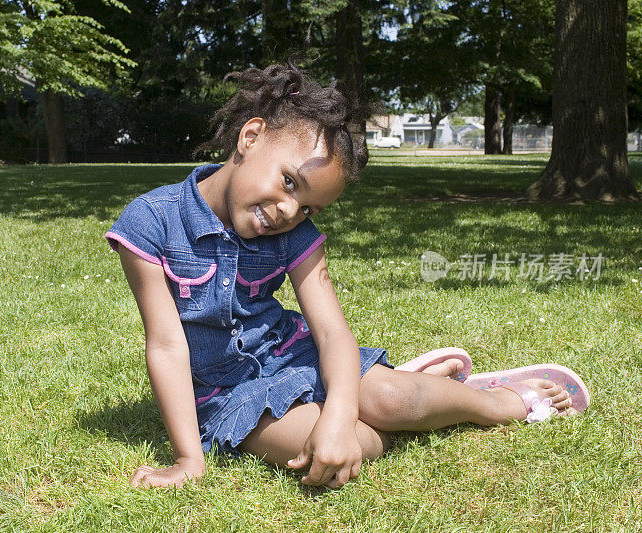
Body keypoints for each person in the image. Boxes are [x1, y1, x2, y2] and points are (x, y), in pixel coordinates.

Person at [105, 61, 589, 490]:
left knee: (394, 401)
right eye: (289, 182)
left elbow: (332, 330)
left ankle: (497, 402)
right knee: (346, 447)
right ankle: (403, 392)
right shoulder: (152, 223)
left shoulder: (295, 234)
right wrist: (189, 459)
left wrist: (337, 406)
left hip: (298, 356)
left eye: (308, 205)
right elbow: (167, 345)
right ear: (249, 138)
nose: (289, 211)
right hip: (228, 396)